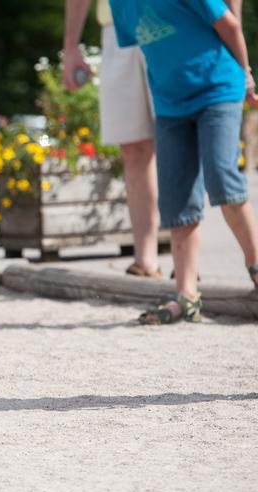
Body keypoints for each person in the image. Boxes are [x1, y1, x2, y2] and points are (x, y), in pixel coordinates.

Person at [109, 0, 258, 323]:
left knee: (221, 176)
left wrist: (245, 74)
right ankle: (187, 295)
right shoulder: (118, 4)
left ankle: (256, 264)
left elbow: (230, 25)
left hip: (217, 88)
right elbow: (151, 45)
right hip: (169, 104)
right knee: (177, 196)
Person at [63, 0, 162, 278]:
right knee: (132, 146)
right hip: (117, 26)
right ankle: (146, 258)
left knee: (179, 136)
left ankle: (188, 260)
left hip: (173, 18)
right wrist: (71, 48)